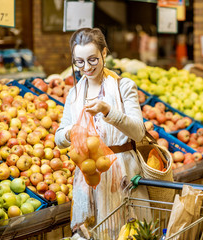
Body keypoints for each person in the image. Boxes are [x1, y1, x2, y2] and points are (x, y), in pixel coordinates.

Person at [55, 28, 149, 235]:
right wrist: (71, 132)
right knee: (93, 232)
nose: (86, 67)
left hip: (124, 173)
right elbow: (59, 138)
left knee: (127, 232)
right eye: (79, 62)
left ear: (104, 53)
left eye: (92, 60)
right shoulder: (75, 93)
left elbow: (138, 132)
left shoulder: (124, 86)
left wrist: (108, 111)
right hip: (89, 176)